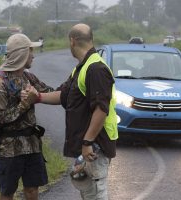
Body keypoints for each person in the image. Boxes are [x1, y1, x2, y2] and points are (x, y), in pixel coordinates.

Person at [24, 23, 118, 200]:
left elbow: (101, 110)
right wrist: (37, 97)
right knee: (88, 193)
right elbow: (64, 95)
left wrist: (87, 141)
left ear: (72, 41)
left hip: (95, 147)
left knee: (96, 195)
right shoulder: (81, 67)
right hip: (89, 147)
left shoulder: (96, 69)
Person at [0, 33, 54, 200]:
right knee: (7, 194)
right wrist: (25, 104)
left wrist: (74, 85)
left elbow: (50, 92)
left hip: (32, 145)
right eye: (30, 51)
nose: (33, 56)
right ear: (21, 54)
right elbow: (1, 118)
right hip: (9, 149)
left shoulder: (29, 77)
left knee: (33, 190)